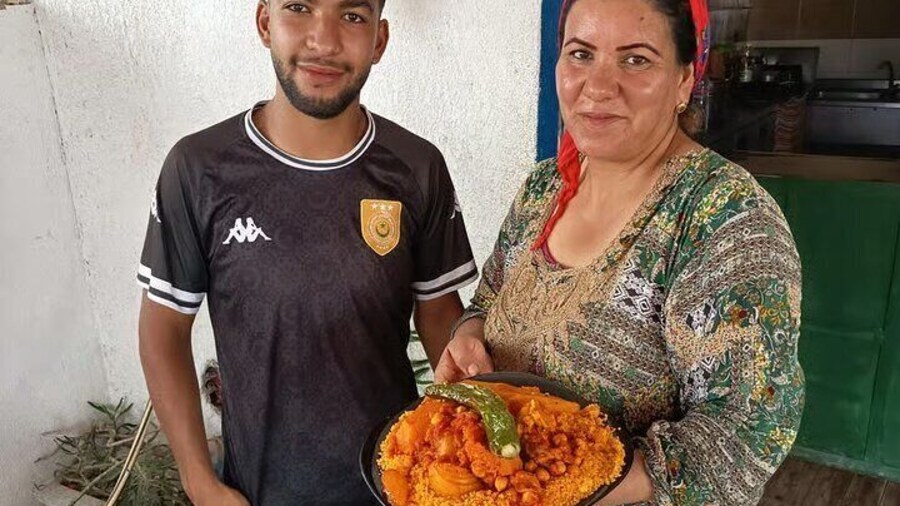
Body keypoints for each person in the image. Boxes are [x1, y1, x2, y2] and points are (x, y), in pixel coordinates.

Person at [434, 0, 804, 504]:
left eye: (636, 59)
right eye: (581, 54)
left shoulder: (722, 217)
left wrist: (554, 483)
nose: (599, 87)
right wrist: (469, 337)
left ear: (683, 80)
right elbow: (486, 301)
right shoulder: (544, 188)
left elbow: (747, 432)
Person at [137, 0, 477, 504]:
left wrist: (476, 423)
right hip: (258, 491)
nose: (325, 39)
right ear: (264, 22)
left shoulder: (417, 167)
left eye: (353, 16)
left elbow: (438, 314)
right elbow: (163, 327)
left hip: (396, 484)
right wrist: (198, 479)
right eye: (299, 7)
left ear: (379, 40)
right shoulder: (198, 169)